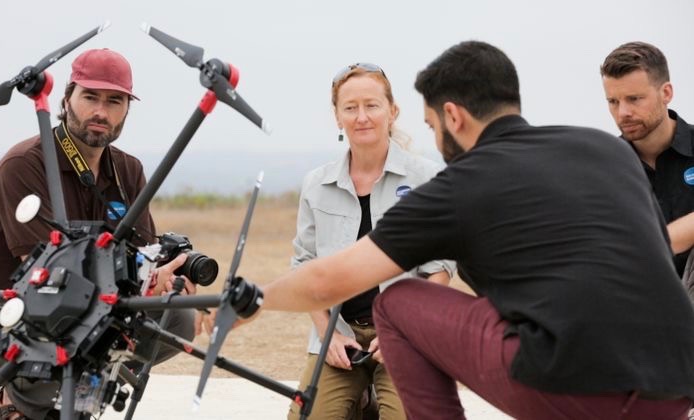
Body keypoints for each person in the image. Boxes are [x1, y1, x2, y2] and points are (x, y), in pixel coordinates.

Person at [252, 41, 694, 419]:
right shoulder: (607, 150)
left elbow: (329, 278)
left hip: (576, 391)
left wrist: (248, 301)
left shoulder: (458, 184)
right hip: (676, 388)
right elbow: (653, 247)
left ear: (452, 116)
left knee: (397, 302)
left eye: (431, 126)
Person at [0, 48, 200, 419]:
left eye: (115, 101)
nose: (101, 111)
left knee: (178, 319)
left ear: (127, 109)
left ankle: (78, 392)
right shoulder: (23, 165)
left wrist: (164, 280)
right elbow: (48, 282)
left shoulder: (129, 171)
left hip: (86, 317)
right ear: (66, 99)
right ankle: (18, 402)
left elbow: (143, 257)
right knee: (58, 311)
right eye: (90, 97)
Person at [286, 63, 455, 420]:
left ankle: (373, 403)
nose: (361, 117)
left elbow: (440, 268)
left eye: (372, 105)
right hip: (338, 337)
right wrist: (326, 334)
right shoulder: (316, 185)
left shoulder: (428, 177)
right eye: (350, 107)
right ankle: (360, 401)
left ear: (392, 111)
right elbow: (304, 266)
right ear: (337, 117)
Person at [600, 42, 694, 296]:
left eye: (634, 99)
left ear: (666, 93)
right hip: (639, 304)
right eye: (613, 101)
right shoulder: (602, 168)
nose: (623, 113)